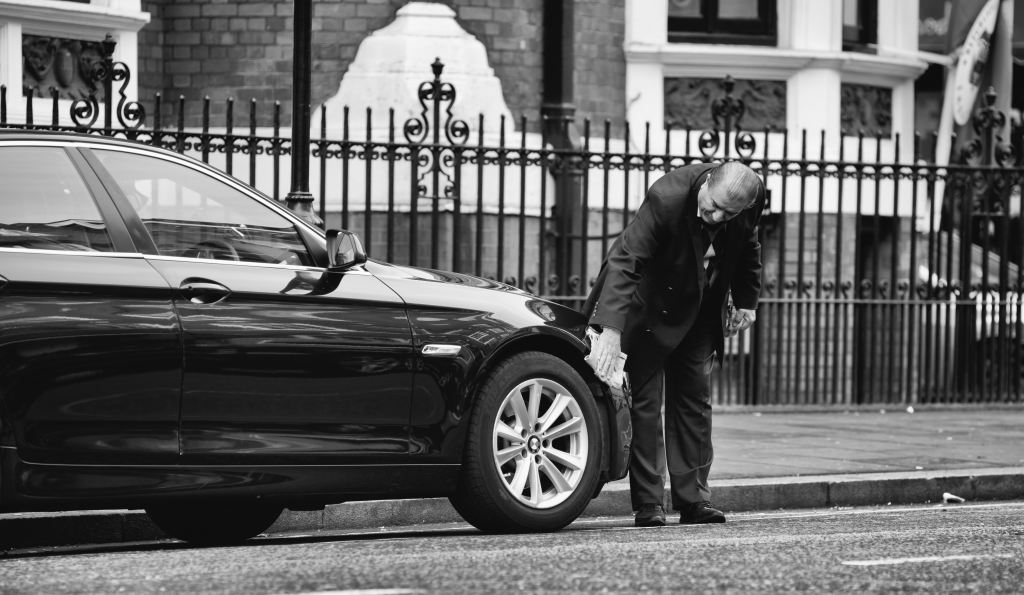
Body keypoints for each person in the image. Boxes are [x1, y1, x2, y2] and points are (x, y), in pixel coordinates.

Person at [582, 161, 764, 527]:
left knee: (694, 402)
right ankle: (650, 503)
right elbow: (626, 260)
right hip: (647, 306)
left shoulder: (749, 201)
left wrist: (746, 300)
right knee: (645, 405)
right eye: (713, 206)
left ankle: (694, 500)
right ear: (707, 184)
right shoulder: (666, 197)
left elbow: (748, 247)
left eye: (727, 214)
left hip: (698, 308)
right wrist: (611, 329)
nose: (716, 217)